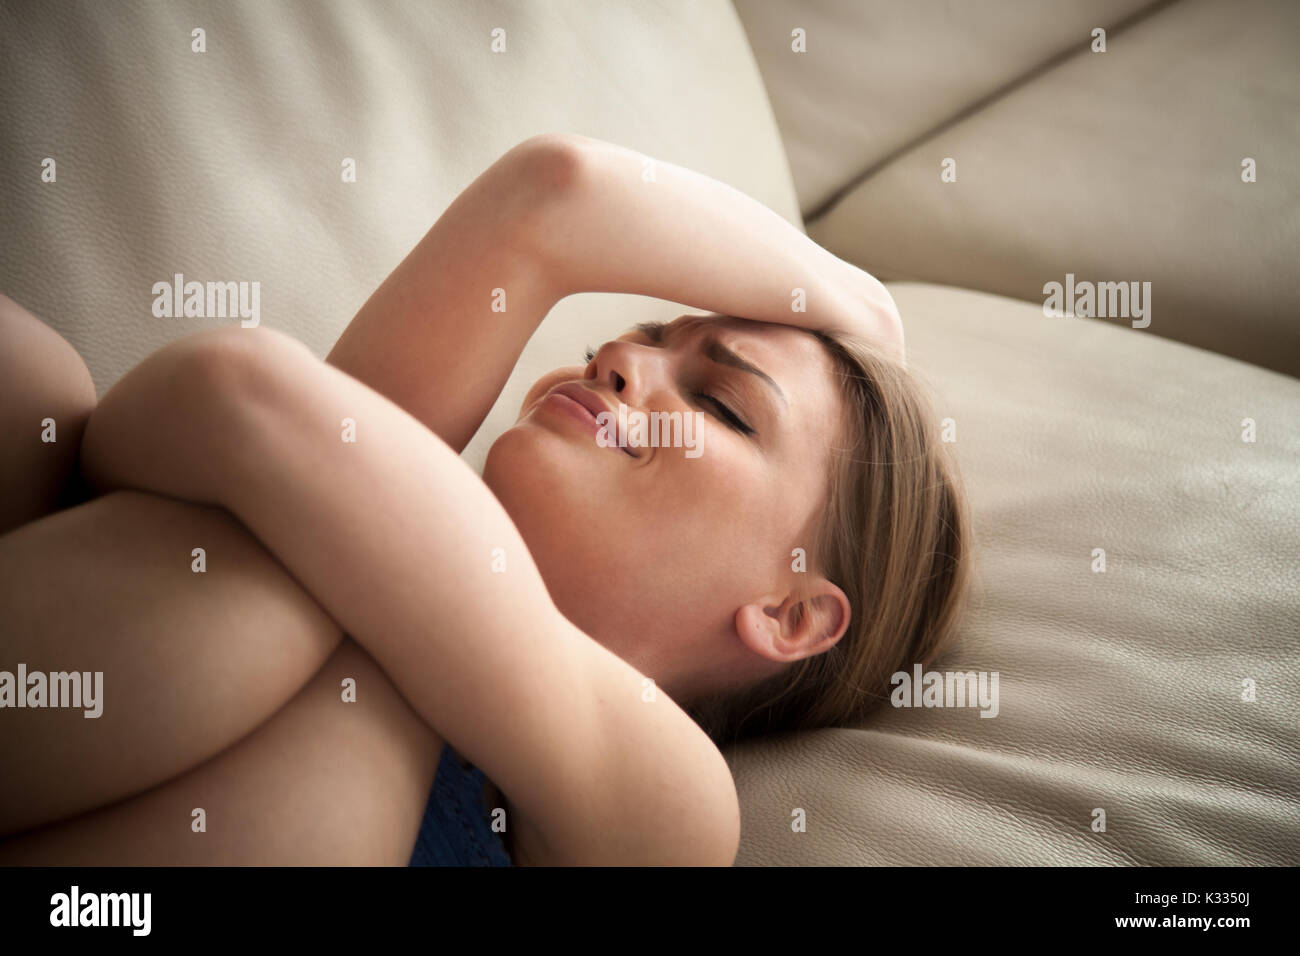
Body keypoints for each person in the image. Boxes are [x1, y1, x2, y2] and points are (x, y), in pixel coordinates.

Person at [0, 134, 971, 866]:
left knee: (306, 641)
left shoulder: (671, 799)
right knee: (31, 389)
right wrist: (853, 299)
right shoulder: (313, 502)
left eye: (720, 401)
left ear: (790, 610)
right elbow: (547, 197)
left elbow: (234, 393)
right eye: (642, 336)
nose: (620, 359)